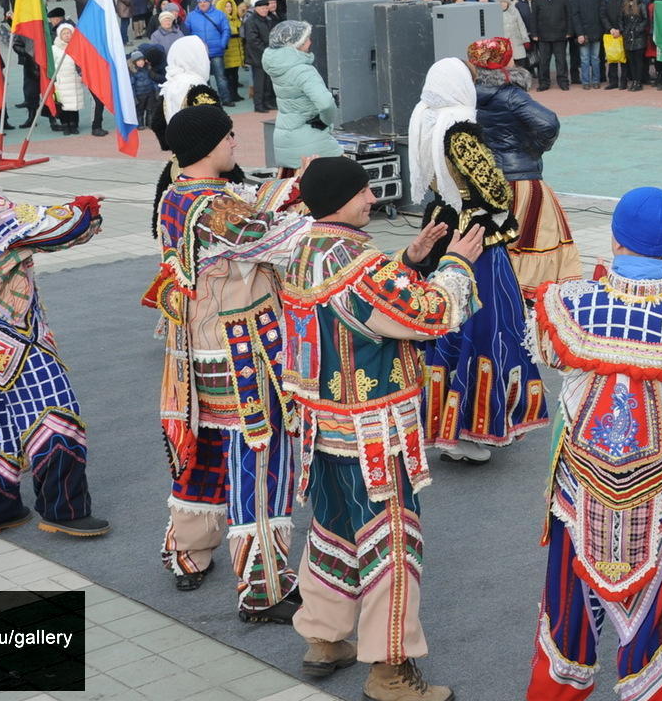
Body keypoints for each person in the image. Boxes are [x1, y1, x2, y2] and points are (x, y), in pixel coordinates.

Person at [525, 187, 662, 701]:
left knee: (567, 611)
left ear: (616, 239)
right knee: (654, 617)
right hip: (661, 488)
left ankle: (555, 692)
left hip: (582, 485)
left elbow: (552, 356)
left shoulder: (567, 301)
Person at [283, 157, 480, 701]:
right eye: (363, 191)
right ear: (342, 199)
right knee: (391, 541)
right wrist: (457, 266)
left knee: (331, 529)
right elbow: (428, 313)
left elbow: (360, 306)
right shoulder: (361, 264)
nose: (372, 198)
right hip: (373, 430)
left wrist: (408, 261)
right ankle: (390, 669)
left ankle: (324, 638)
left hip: (319, 423)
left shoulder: (302, 248)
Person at [146, 104, 315, 620]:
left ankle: (189, 551)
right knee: (260, 464)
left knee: (203, 454)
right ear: (212, 143)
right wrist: (315, 199)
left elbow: (248, 206)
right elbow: (277, 236)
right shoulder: (217, 208)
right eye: (229, 137)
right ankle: (262, 587)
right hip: (244, 350)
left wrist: (292, 186)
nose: (235, 144)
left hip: (197, 348)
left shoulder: (179, 195)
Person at [0, 123, 108, 538]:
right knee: (54, 412)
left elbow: (26, 224)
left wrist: (70, 211)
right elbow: (51, 230)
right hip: (14, 334)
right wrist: (85, 211)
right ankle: (63, 511)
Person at [404, 59, 547, 464]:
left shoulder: (425, 120)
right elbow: (496, 193)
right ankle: (469, 426)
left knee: (449, 325)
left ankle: (448, 424)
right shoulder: (460, 132)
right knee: (486, 326)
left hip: (446, 229)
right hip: (476, 239)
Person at [467, 37, 580, 296]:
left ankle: (497, 290)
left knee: (496, 238)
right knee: (537, 237)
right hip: (520, 177)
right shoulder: (510, 94)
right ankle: (527, 295)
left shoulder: (467, 93)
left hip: (485, 179)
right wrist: (534, 147)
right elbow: (548, 122)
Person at [265, 20, 340, 170]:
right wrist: (326, 121)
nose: (310, 42)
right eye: (306, 39)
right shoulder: (303, 70)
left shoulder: (278, 66)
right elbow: (325, 103)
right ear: (296, 44)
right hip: (311, 142)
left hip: (284, 138)